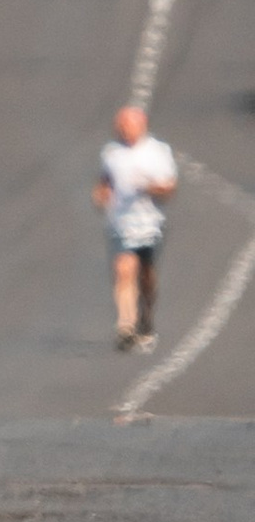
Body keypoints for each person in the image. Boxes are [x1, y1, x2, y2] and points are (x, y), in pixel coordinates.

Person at [94, 103, 177, 353]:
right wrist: (101, 196)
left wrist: (149, 188)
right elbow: (105, 181)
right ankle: (125, 327)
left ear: (141, 126)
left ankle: (146, 317)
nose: (122, 131)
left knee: (147, 275)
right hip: (122, 223)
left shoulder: (158, 152)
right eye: (119, 127)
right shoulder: (111, 153)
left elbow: (169, 188)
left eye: (127, 126)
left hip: (150, 223)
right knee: (124, 268)